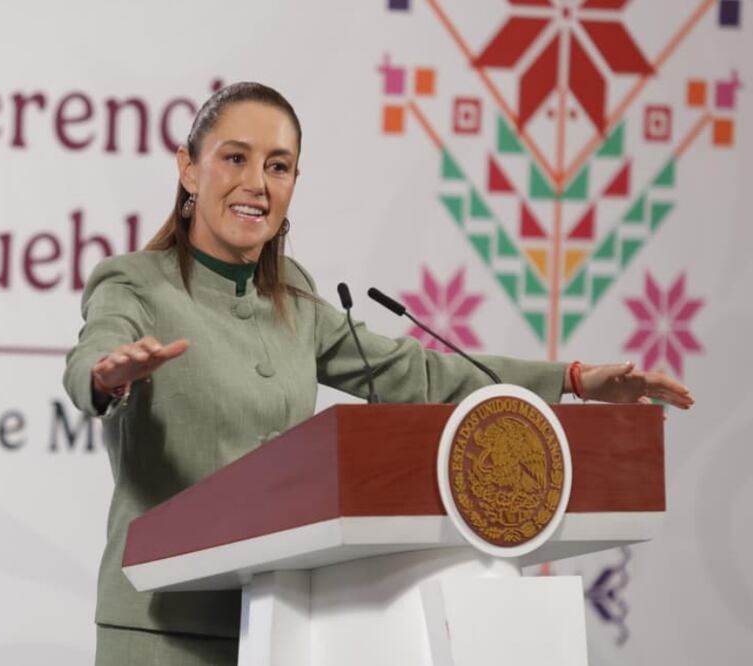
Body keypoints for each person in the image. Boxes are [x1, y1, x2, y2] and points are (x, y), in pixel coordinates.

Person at [63, 82, 694, 666]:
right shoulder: (134, 281)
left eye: (277, 166)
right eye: (234, 158)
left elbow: (417, 375)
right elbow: (95, 354)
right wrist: (107, 376)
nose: (256, 183)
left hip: (281, 622)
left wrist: (575, 380)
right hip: (160, 629)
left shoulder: (297, 298)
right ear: (187, 167)